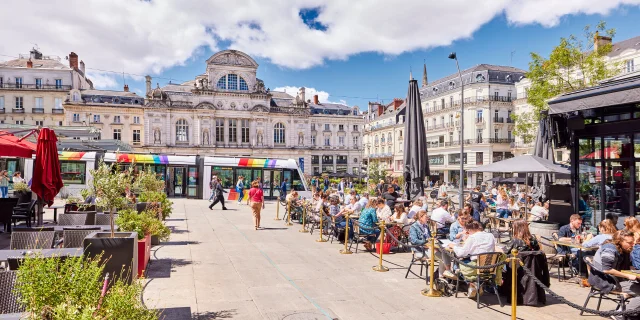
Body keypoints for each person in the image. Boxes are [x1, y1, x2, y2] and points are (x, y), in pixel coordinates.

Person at [592, 230, 640, 320]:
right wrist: (628, 276)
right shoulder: (610, 249)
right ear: (620, 241)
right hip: (605, 281)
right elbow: (607, 269)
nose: (633, 244)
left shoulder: (625, 250)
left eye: (633, 242)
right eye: (629, 242)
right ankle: (621, 314)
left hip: (617, 279)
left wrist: (635, 273)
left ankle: (628, 311)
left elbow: (629, 267)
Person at [447, 220, 500, 298]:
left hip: (476, 268)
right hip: (490, 267)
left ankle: (470, 283)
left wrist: (453, 246)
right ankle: (474, 285)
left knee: (459, 262)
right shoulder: (490, 235)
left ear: (469, 230)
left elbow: (461, 253)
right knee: (468, 259)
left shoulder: (473, 237)